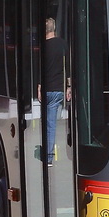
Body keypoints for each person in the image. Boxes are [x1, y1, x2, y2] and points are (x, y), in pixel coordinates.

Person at [39, 17, 69, 166]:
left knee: (47, 124)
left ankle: (48, 155)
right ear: (54, 28)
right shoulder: (63, 44)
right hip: (59, 89)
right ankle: (51, 155)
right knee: (53, 123)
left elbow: (40, 69)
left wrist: (39, 87)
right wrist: (69, 86)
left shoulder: (43, 47)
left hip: (47, 89)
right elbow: (68, 65)